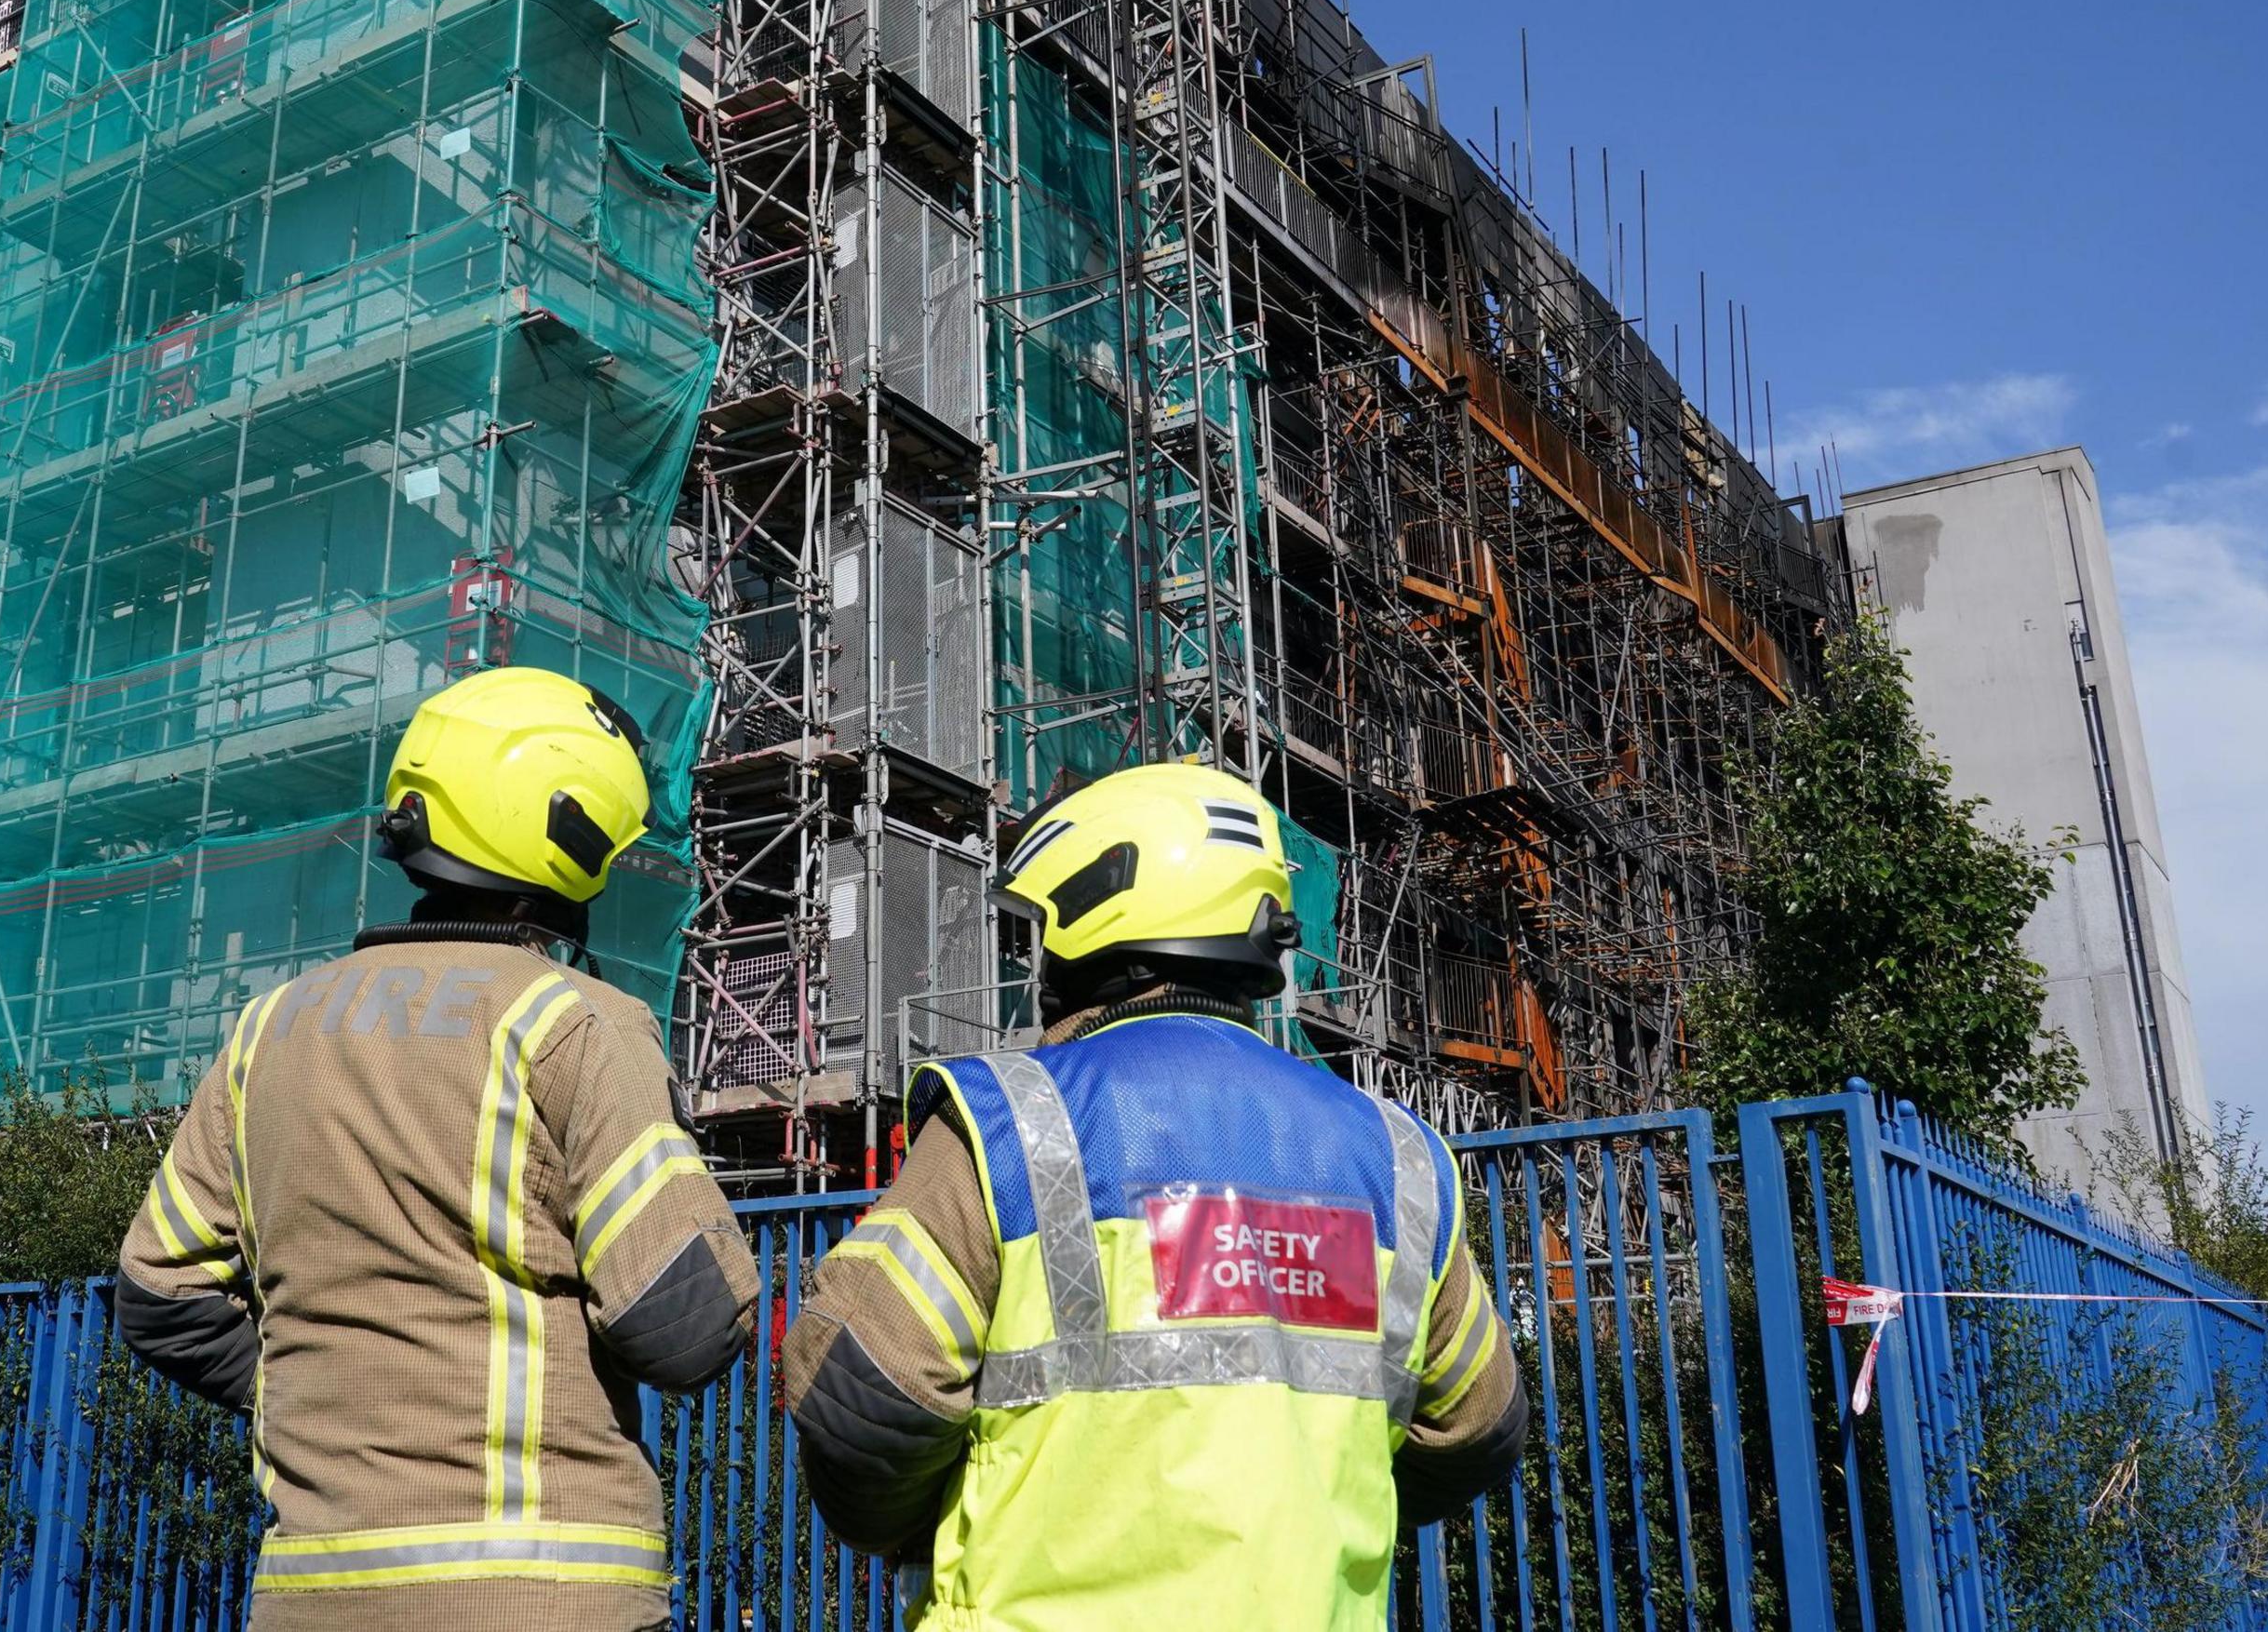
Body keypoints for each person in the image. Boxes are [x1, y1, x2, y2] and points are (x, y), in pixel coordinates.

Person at [776, 762, 1527, 1630]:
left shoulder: (1015, 1123)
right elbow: (1481, 1421)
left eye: (1038, 935)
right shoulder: (1396, 1157)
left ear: (1092, 911)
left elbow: (863, 1395)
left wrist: (919, 1526)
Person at [119, 665, 758, 1628]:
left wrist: (318, 1398)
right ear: (567, 836)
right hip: (542, 1592)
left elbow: (157, 1293)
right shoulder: (573, 1023)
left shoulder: (269, 1030)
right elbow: (687, 1325)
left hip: (310, 1596)